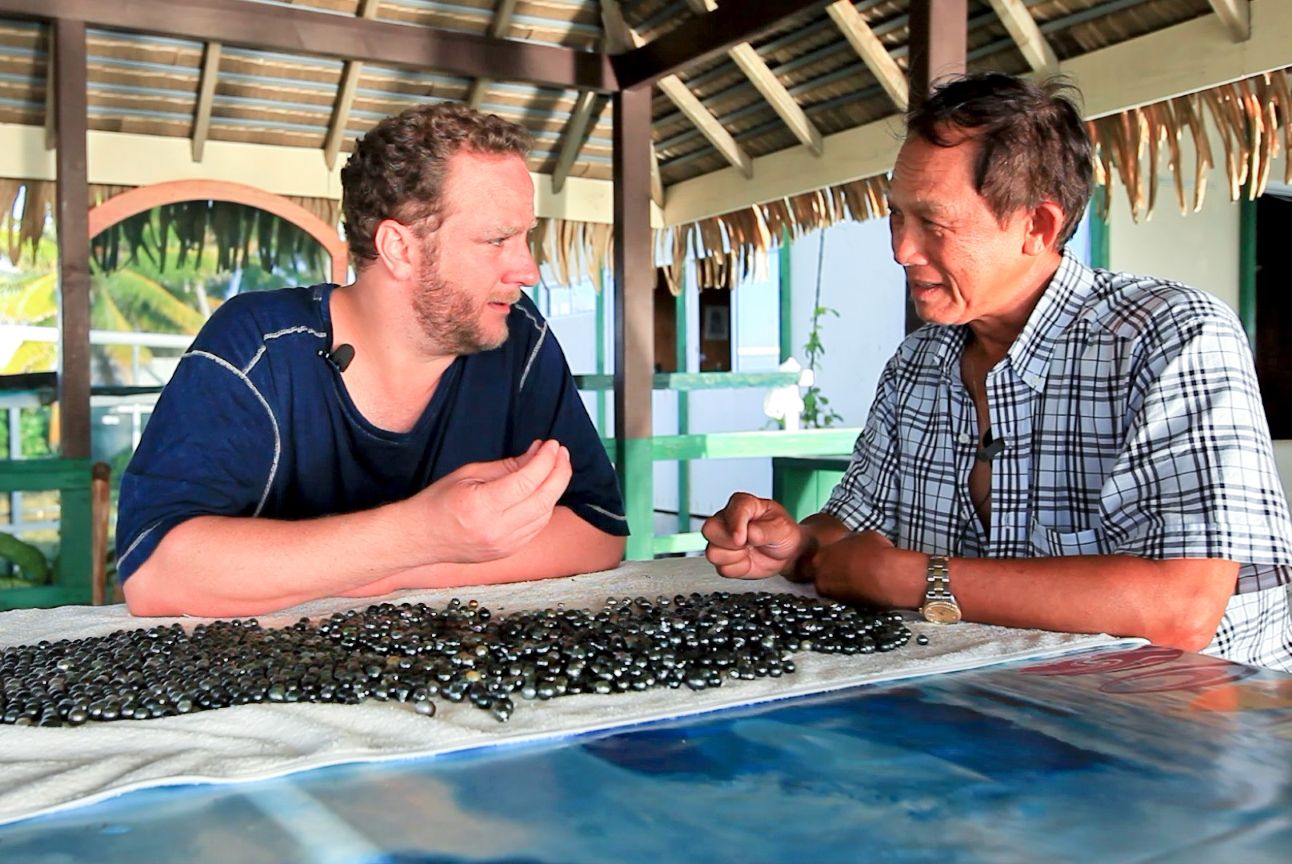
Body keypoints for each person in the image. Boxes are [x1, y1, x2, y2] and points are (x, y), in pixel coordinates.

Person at [703, 73, 1292, 671]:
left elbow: (1181, 608)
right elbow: (854, 530)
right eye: (896, 217)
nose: (902, 250)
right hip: (999, 712)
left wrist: (917, 580)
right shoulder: (919, 365)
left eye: (933, 223)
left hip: (1199, 729)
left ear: (1036, 226)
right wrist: (793, 544)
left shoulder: (1169, 337)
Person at [117, 104, 628, 617]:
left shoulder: (517, 338)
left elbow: (597, 531)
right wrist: (421, 533)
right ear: (398, 248)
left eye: (525, 237)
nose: (528, 270)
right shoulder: (260, 345)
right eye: (496, 240)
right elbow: (154, 572)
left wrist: (399, 567)